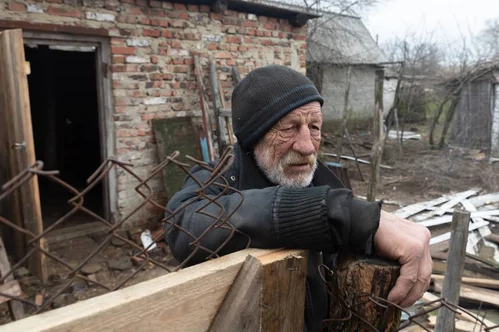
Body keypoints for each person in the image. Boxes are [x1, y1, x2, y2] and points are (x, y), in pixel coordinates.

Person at [165, 65, 432, 331]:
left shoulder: (322, 179)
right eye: (289, 128)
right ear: (252, 136)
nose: (306, 146)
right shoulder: (215, 181)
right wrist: (332, 215)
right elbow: (182, 224)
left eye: (314, 126)